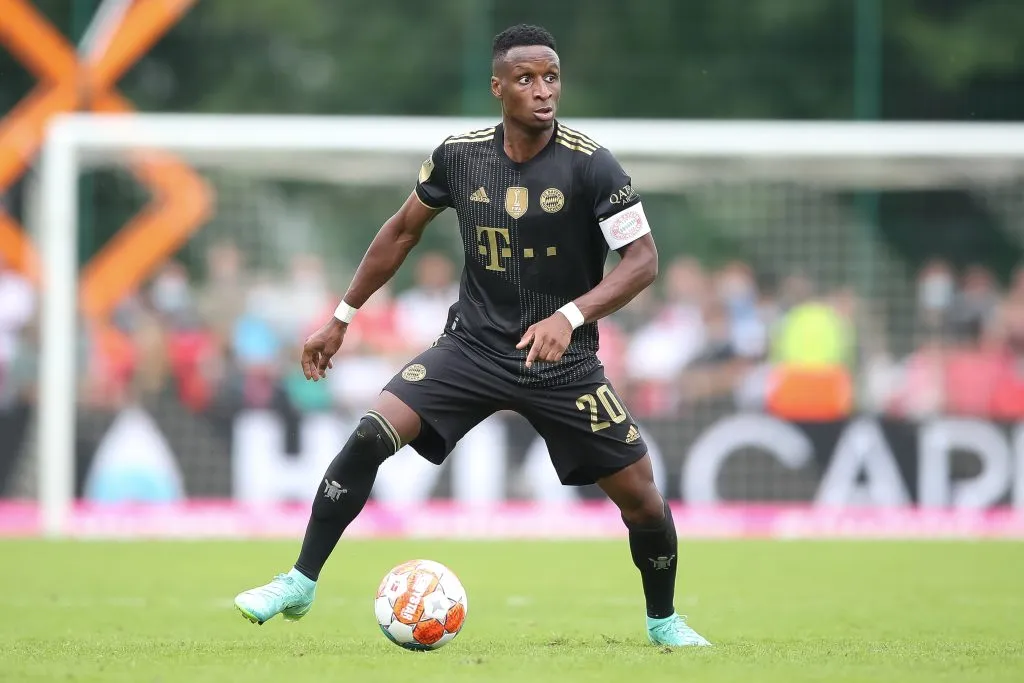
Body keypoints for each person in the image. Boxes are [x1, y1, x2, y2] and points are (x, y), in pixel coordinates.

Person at [234, 23, 710, 648]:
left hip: (563, 363)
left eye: (551, 78)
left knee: (643, 502)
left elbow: (643, 261)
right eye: (526, 79)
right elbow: (402, 232)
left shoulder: (592, 164)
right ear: (498, 87)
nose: (543, 91)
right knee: (370, 434)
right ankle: (299, 581)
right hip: (473, 349)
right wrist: (342, 316)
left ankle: (663, 622)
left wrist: (569, 318)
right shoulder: (460, 156)